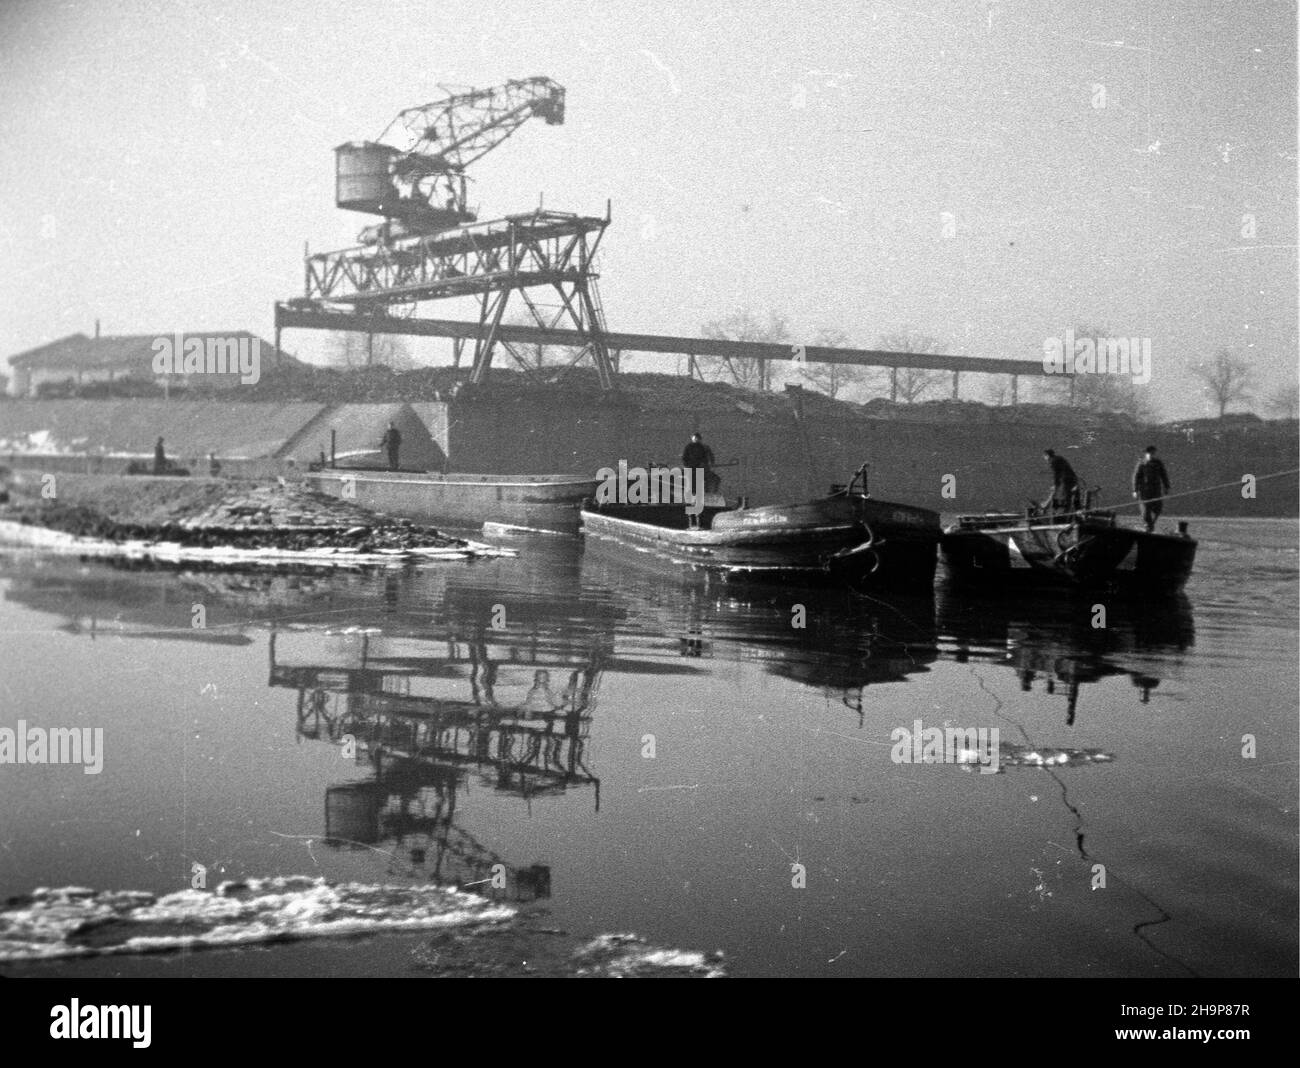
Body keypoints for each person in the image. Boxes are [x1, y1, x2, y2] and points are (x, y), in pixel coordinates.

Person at [1132, 444, 1171, 532]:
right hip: (1144, 491)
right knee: (1146, 510)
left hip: (1156, 490)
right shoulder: (1141, 464)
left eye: (1153, 453)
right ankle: (1148, 526)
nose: (1151, 454)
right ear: (1146, 454)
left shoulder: (1158, 463)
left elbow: (1163, 475)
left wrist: (1166, 487)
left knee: (1158, 509)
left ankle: (1151, 525)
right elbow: (1136, 477)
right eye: (1149, 453)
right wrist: (1135, 490)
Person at [1043, 448, 1079, 515]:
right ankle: (1071, 511)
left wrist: (1055, 484)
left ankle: (1062, 513)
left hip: (1065, 480)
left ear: (1047, 455)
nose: (1045, 459)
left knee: (1062, 496)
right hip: (1073, 478)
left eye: (1044, 457)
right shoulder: (1060, 458)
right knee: (1068, 496)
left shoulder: (1052, 461)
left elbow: (1055, 474)